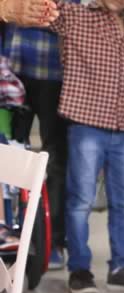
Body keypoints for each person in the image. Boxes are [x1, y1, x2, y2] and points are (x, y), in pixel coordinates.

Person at [43, 0, 124, 293]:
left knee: (123, 202)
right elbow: (43, 8)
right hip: (86, 125)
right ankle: (80, 270)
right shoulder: (74, 16)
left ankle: (122, 267)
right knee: (81, 200)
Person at [3, 0, 73, 270]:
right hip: (10, 65)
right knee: (7, 154)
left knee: (55, 157)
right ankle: (7, 229)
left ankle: (53, 240)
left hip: (57, 71)